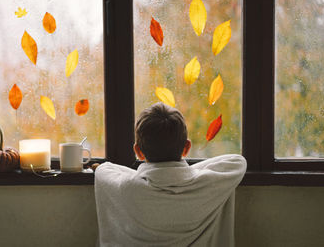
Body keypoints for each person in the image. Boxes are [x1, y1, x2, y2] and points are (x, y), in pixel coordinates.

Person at [94, 102, 246, 247]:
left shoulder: (128, 187)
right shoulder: (205, 183)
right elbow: (237, 161)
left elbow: (104, 170)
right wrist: (187, 172)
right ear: (186, 148)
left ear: (138, 151)